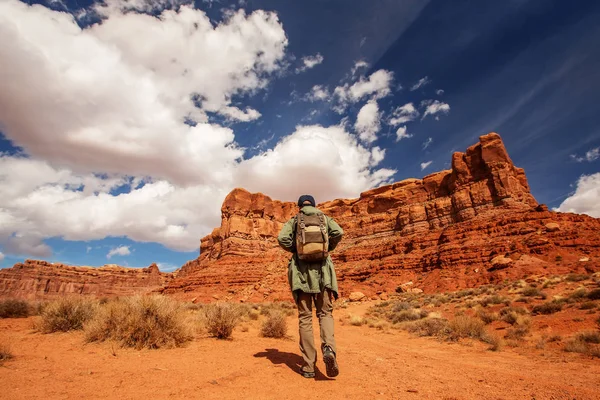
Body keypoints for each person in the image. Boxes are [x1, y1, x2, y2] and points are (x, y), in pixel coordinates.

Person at [277, 194, 344, 378]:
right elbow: (338, 232)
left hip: (301, 274)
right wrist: (328, 248)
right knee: (325, 314)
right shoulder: (324, 218)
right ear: (314, 205)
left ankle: (308, 367)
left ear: (299, 206)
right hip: (324, 274)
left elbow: (282, 238)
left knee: (305, 318)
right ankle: (329, 349)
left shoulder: (295, 220)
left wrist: (296, 249)